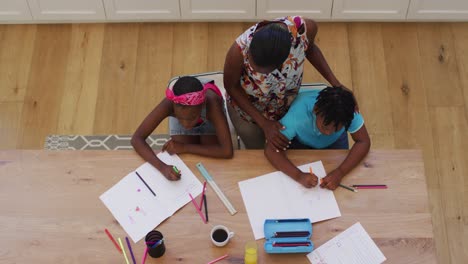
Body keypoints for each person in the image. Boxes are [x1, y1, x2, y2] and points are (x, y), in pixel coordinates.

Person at [224, 16, 348, 150]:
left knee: (286, 147)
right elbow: (231, 86)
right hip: (247, 112)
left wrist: (336, 84)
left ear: (284, 59)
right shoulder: (238, 51)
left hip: (286, 105)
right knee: (258, 151)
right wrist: (264, 123)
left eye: (265, 72)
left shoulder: (304, 30)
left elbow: (310, 48)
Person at [264, 87, 370, 189]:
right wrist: (298, 175)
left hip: (335, 141)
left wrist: (340, 172)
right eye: (325, 127)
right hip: (301, 142)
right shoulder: (297, 115)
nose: (329, 133)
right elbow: (271, 150)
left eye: (337, 129)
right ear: (316, 110)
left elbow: (363, 141)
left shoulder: (349, 113)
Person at [131, 76, 233, 181]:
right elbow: (137, 139)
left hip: (209, 119)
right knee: (184, 159)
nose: (186, 125)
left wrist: (185, 147)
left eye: (191, 118)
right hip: (197, 113)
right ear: (173, 107)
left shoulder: (212, 103)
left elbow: (227, 151)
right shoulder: (169, 103)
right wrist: (163, 167)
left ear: (202, 105)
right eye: (179, 118)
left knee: (210, 161)